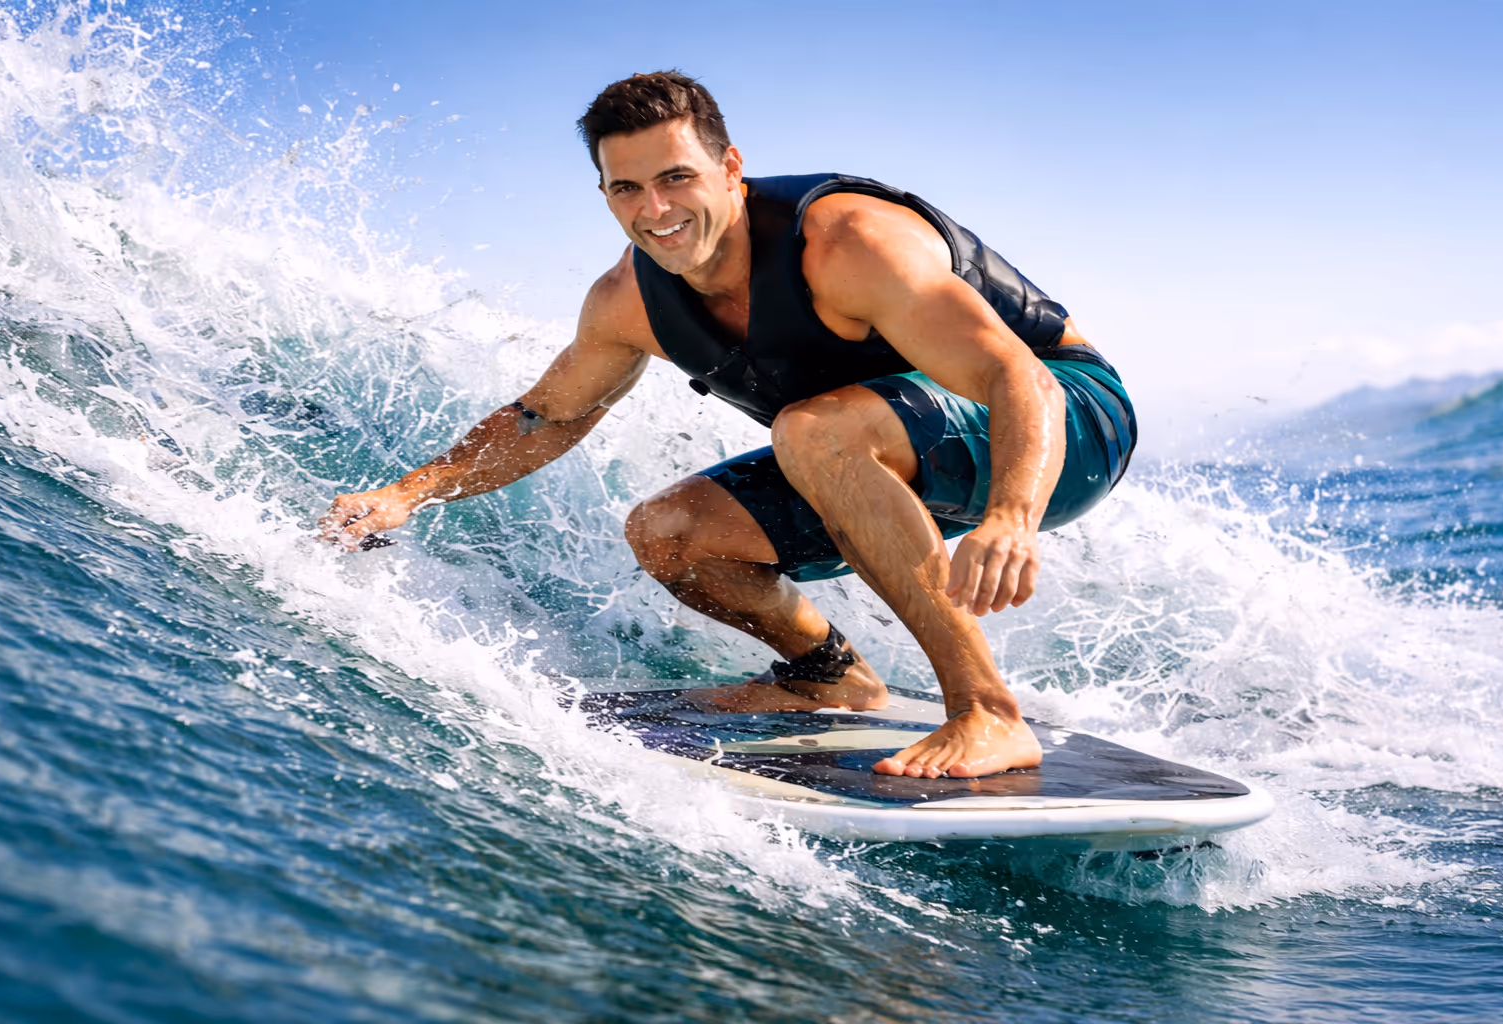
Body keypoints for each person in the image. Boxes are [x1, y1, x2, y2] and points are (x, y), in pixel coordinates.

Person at [320, 71, 1136, 779]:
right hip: (886, 446)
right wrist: (405, 494)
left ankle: (989, 712)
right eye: (626, 189)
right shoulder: (628, 301)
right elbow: (550, 413)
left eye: (676, 178)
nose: (656, 210)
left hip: (1064, 424)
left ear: (732, 167)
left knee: (815, 431)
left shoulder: (848, 244)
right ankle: (828, 676)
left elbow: (1012, 372)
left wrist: (1010, 518)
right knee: (670, 532)